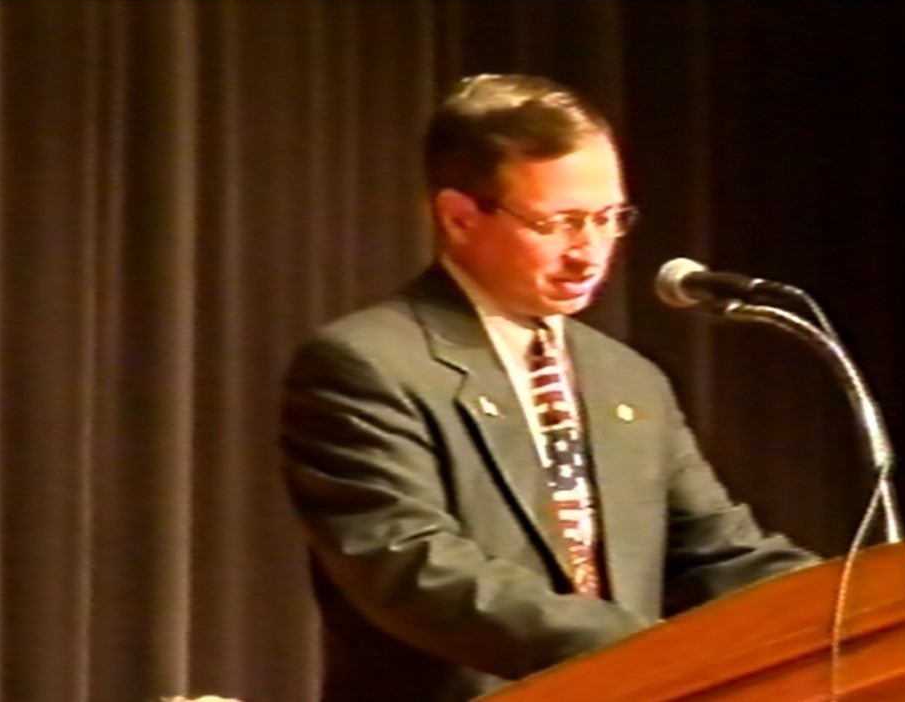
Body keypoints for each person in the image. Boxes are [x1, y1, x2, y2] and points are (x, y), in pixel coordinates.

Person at [279, 73, 819, 702]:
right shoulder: (367, 364)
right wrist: (652, 651)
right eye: (558, 222)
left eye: (610, 218)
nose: (589, 251)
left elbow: (718, 552)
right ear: (458, 217)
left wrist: (873, 600)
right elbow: (416, 569)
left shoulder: (629, 379)